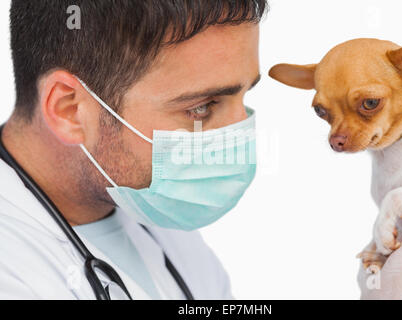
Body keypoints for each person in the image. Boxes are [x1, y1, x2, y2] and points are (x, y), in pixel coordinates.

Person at [0, 0, 266, 299]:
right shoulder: (9, 271)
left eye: (244, 96)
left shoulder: (164, 221)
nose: (236, 134)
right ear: (70, 109)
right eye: (202, 107)